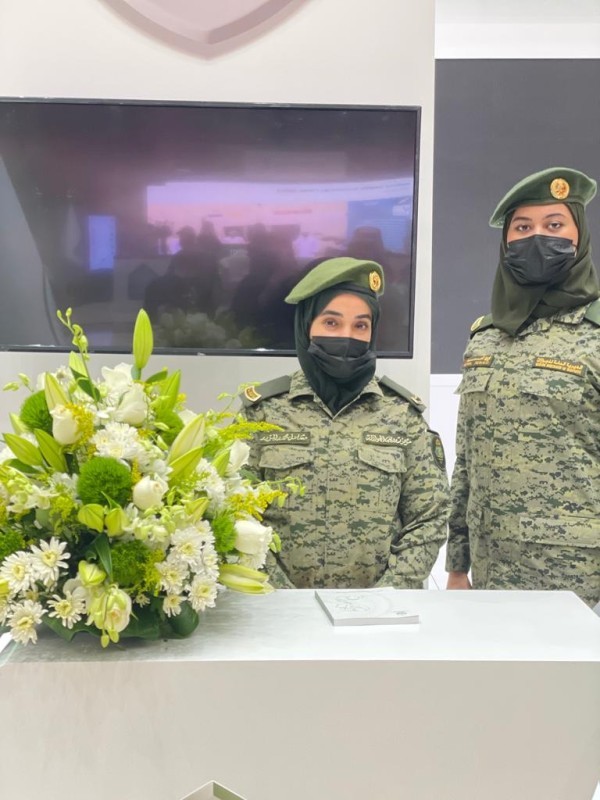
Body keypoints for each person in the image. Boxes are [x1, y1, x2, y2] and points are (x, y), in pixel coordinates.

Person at [241, 256, 449, 589]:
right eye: (331, 323)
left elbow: (429, 518)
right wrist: (280, 596)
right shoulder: (262, 414)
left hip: (379, 611)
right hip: (279, 609)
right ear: (306, 326)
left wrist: (386, 595)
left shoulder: (402, 416)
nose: (347, 336)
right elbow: (236, 515)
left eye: (361, 326)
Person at [446, 167, 600, 607]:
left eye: (554, 225)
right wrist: (457, 565)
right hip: (490, 574)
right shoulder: (485, 337)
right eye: (522, 228)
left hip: (578, 582)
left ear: (579, 237)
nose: (537, 238)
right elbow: (466, 459)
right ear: (505, 242)